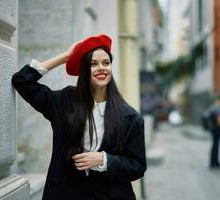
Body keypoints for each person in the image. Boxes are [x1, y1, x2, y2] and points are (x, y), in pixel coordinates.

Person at [11, 34, 146, 200]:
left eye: (106, 63)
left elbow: (137, 166)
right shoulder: (64, 101)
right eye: (93, 64)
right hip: (66, 193)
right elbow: (22, 81)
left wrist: (103, 160)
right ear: (83, 70)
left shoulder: (130, 117)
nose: (101, 68)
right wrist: (65, 57)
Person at [208, 95, 220, 169]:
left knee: (214, 146)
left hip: (212, 128)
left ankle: (213, 163)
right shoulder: (218, 108)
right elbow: (219, 120)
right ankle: (215, 163)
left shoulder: (213, 106)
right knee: (216, 146)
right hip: (216, 129)